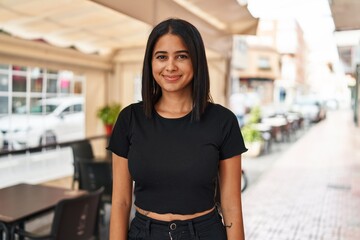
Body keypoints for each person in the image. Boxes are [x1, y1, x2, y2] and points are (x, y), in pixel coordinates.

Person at [107, 18, 248, 240]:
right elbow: (121, 202)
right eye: (161, 57)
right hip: (144, 233)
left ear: (196, 61)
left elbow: (231, 206)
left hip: (205, 233)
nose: (170, 66)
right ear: (150, 62)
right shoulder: (130, 119)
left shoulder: (223, 121)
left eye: (181, 56)